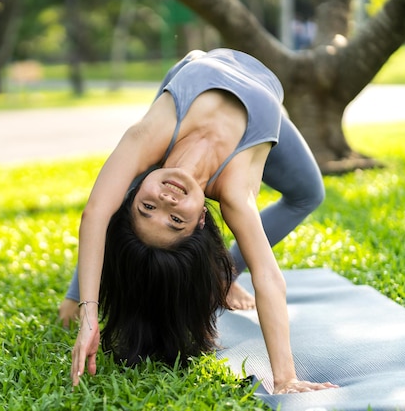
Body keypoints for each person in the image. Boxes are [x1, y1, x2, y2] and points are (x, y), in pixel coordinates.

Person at [60, 48, 338, 394]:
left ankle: (208, 270)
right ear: (203, 219)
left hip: (193, 68)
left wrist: (85, 308)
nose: (166, 200)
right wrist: (285, 378)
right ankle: (220, 277)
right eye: (176, 219)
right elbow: (267, 276)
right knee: (308, 196)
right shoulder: (235, 192)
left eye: (148, 206)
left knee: (127, 198)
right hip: (263, 106)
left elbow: (97, 214)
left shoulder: (146, 140)